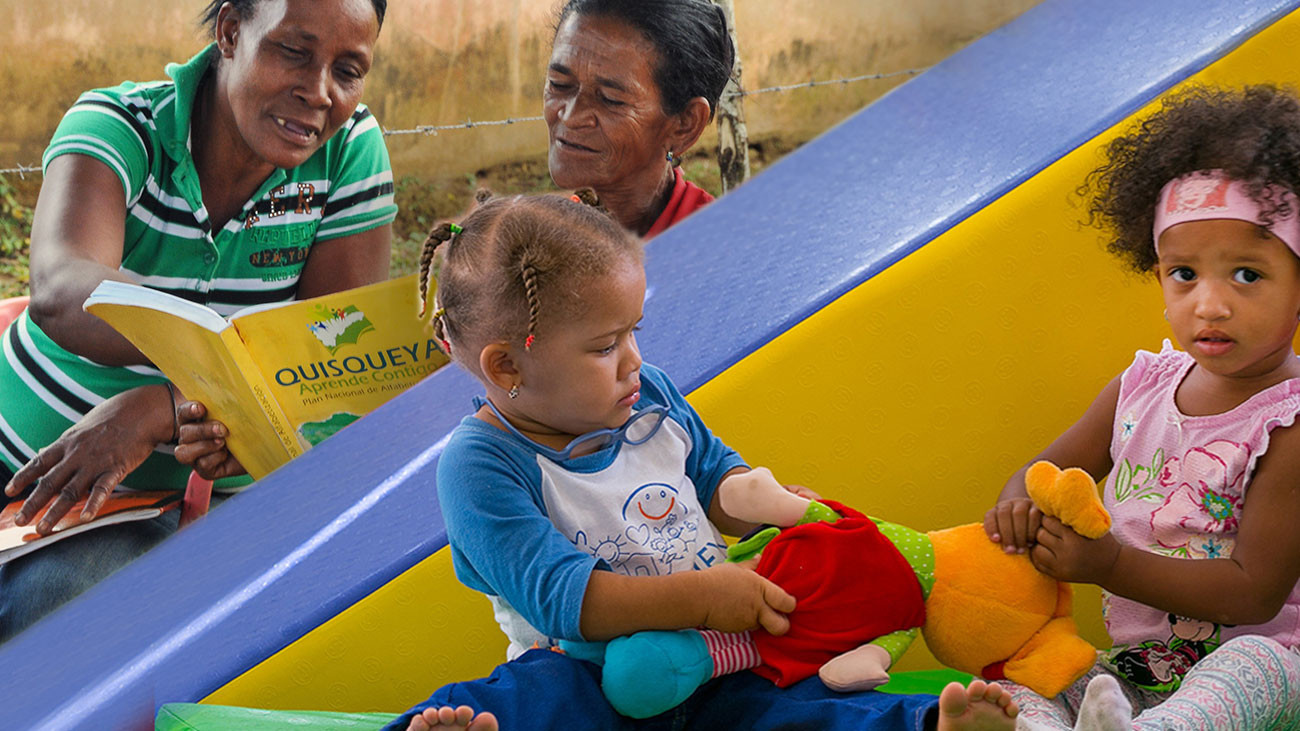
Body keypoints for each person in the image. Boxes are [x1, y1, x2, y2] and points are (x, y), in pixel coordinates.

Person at [385, 192, 1017, 731]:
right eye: (605, 346)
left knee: (802, 703)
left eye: (634, 330)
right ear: (507, 365)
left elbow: (715, 475)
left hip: (719, 655)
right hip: (587, 666)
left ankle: (927, 723)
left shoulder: (649, 393)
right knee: (526, 701)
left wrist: (768, 502)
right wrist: (705, 597)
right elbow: (565, 600)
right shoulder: (482, 465)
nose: (633, 358)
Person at [0, 0, 396, 643]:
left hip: (150, 506)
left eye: (348, 70)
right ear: (231, 32)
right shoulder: (121, 125)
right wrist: (216, 369)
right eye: (294, 51)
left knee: (68, 625)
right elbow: (62, 283)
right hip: (14, 451)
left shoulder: (347, 150)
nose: (319, 92)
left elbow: (333, 360)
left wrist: (161, 408)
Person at [983, 85, 1300, 729]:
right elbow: (1041, 473)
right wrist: (1019, 509)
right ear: (1157, 273)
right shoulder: (1142, 386)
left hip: (1266, 665)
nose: (1209, 305)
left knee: (1257, 666)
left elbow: (1254, 592)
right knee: (1019, 687)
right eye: (1184, 273)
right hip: (1139, 668)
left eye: (1246, 274)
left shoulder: (1288, 421)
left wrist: (1110, 566)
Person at [544, 0, 729, 238]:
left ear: (685, 124)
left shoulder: (717, 249)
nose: (569, 117)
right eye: (559, 84)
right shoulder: (544, 242)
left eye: (610, 99)